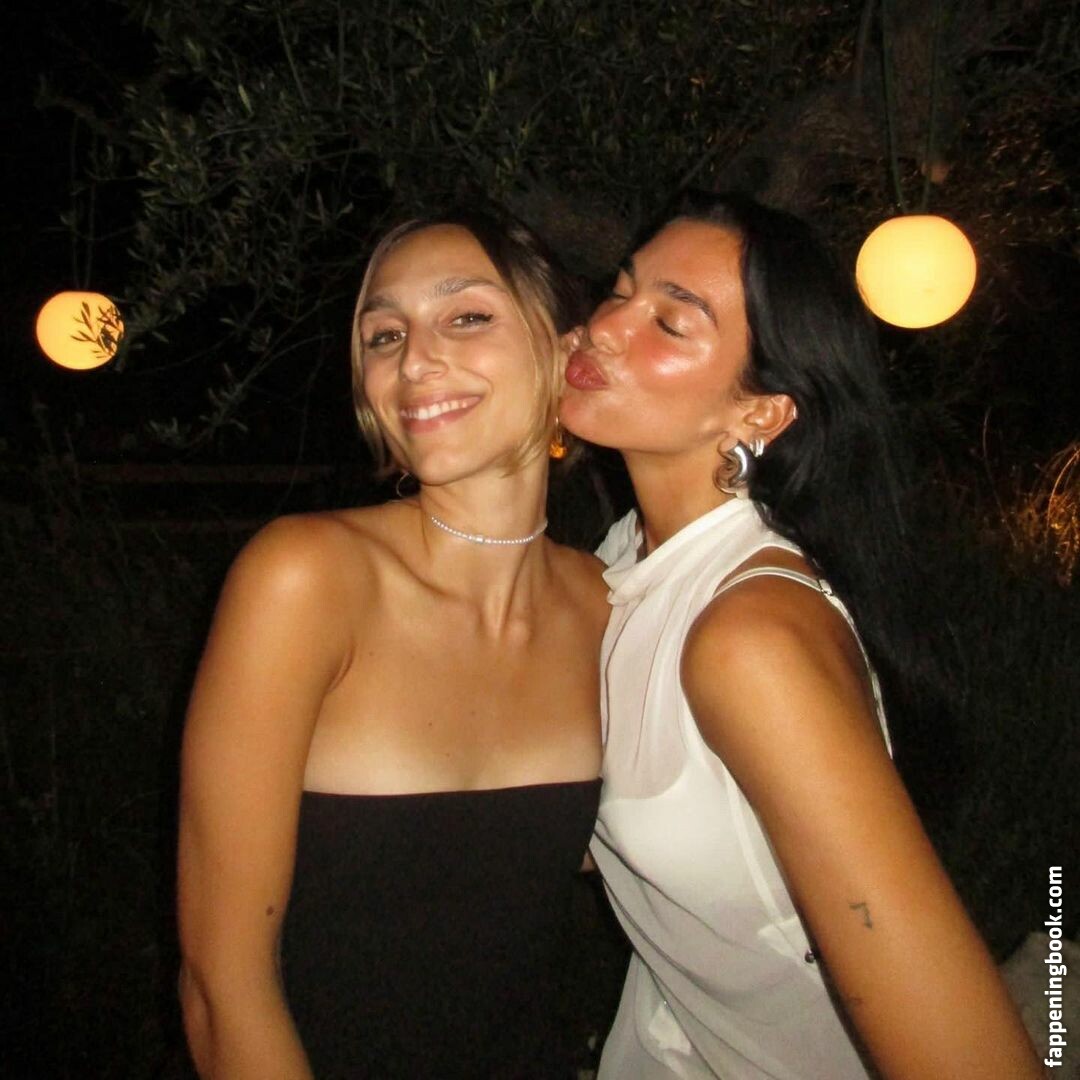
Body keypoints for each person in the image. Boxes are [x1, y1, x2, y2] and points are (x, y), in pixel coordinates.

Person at [559, 192, 1040, 1079]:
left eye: (670, 321)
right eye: (620, 291)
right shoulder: (624, 556)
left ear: (761, 414)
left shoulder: (752, 638)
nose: (606, 327)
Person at [177, 208, 609, 1079]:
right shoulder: (306, 578)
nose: (414, 361)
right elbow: (223, 986)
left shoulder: (607, 603)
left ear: (567, 353)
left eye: (467, 316)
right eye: (384, 335)